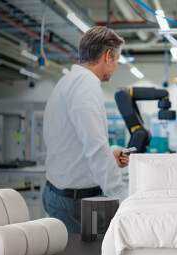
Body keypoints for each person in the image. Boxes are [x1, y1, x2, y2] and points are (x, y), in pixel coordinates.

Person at [42, 26, 128, 233]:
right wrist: (123, 196)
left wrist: (110, 155)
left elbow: (76, 141)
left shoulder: (69, 82)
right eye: (116, 60)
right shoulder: (86, 86)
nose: (115, 66)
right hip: (72, 202)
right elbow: (96, 148)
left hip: (60, 193)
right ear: (107, 56)